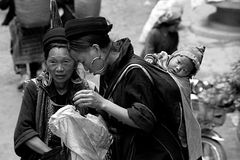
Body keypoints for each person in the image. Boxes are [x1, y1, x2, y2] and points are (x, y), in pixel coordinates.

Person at [64, 16, 202, 160]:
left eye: (82, 61)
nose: (85, 68)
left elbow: (143, 119)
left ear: (95, 49)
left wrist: (102, 103)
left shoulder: (135, 71)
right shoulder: (108, 70)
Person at [14, 27, 96, 160]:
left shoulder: (87, 90)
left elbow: (97, 131)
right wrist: (52, 154)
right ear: (45, 63)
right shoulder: (34, 88)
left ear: (75, 63)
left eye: (66, 62)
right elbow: (24, 131)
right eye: (53, 62)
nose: (59, 69)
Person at [144, 46, 205, 160]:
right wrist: (150, 60)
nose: (178, 68)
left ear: (188, 75)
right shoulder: (163, 58)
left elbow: (183, 112)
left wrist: (182, 136)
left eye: (184, 70)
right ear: (174, 56)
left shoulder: (183, 84)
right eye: (178, 62)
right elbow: (151, 57)